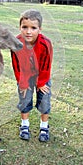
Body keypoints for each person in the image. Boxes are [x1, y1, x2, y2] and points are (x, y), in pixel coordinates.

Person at [11, 9, 53, 142]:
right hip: (24, 77)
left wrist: (41, 83)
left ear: (40, 29)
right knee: (24, 99)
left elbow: (46, 65)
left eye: (33, 28)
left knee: (44, 101)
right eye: (25, 27)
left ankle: (44, 126)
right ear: (20, 27)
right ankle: (24, 125)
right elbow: (16, 65)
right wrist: (22, 83)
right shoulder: (16, 43)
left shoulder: (45, 43)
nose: (28, 31)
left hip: (42, 76)